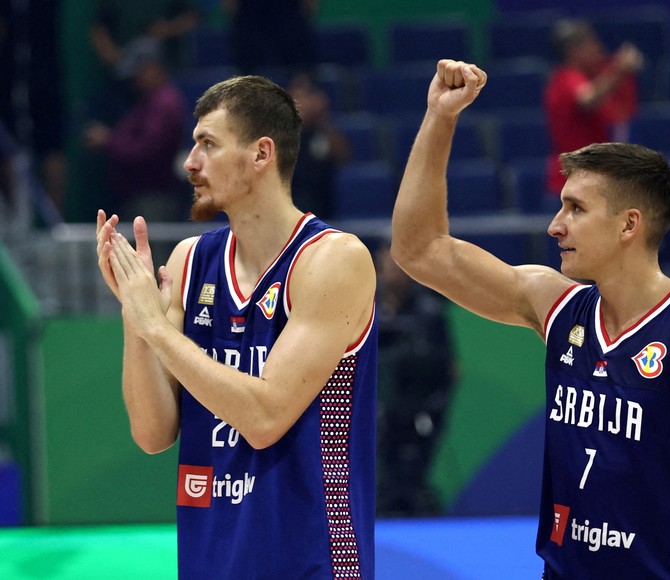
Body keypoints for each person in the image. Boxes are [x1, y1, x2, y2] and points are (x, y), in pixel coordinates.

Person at [391, 59, 670, 578]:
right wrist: (439, 118)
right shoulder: (556, 307)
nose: (556, 226)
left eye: (576, 209)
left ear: (629, 225)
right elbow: (418, 249)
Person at [95, 75, 377, 578]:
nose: (190, 162)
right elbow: (153, 432)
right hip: (211, 556)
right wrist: (133, 314)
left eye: (208, 144)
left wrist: (156, 329)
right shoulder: (190, 260)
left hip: (311, 558)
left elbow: (266, 417)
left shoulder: (333, 259)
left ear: (261, 154)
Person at [375, 244, 456, 516]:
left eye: (400, 263)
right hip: (380, 408)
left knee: (412, 475)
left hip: (421, 407)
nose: (394, 269)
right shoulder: (367, 305)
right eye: (388, 261)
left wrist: (433, 410)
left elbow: (450, 369)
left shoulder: (429, 311)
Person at [84, 39, 188, 222]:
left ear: (154, 67)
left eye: (140, 71)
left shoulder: (165, 104)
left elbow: (147, 150)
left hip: (154, 199)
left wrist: (109, 140)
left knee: (153, 250)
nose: (135, 79)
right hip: (138, 197)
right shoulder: (148, 100)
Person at [544, 19, 642, 194]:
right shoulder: (566, 78)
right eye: (592, 44)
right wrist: (619, 69)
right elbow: (587, 99)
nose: (598, 49)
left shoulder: (590, 78)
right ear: (575, 51)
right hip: (572, 180)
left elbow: (621, 113)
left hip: (592, 178)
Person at [287, 72, 351, 220]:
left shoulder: (323, 131)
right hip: (289, 201)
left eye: (305, 96)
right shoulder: (280, 133)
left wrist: (322, 118)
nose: (300, 102)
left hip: (322, 205)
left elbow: (344, 157)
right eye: (295, 96)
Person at [222, 0, 317, 75]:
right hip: (249, 20)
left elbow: (308, 6)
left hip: (290, 18)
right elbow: (231, 6)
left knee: (301, 70)